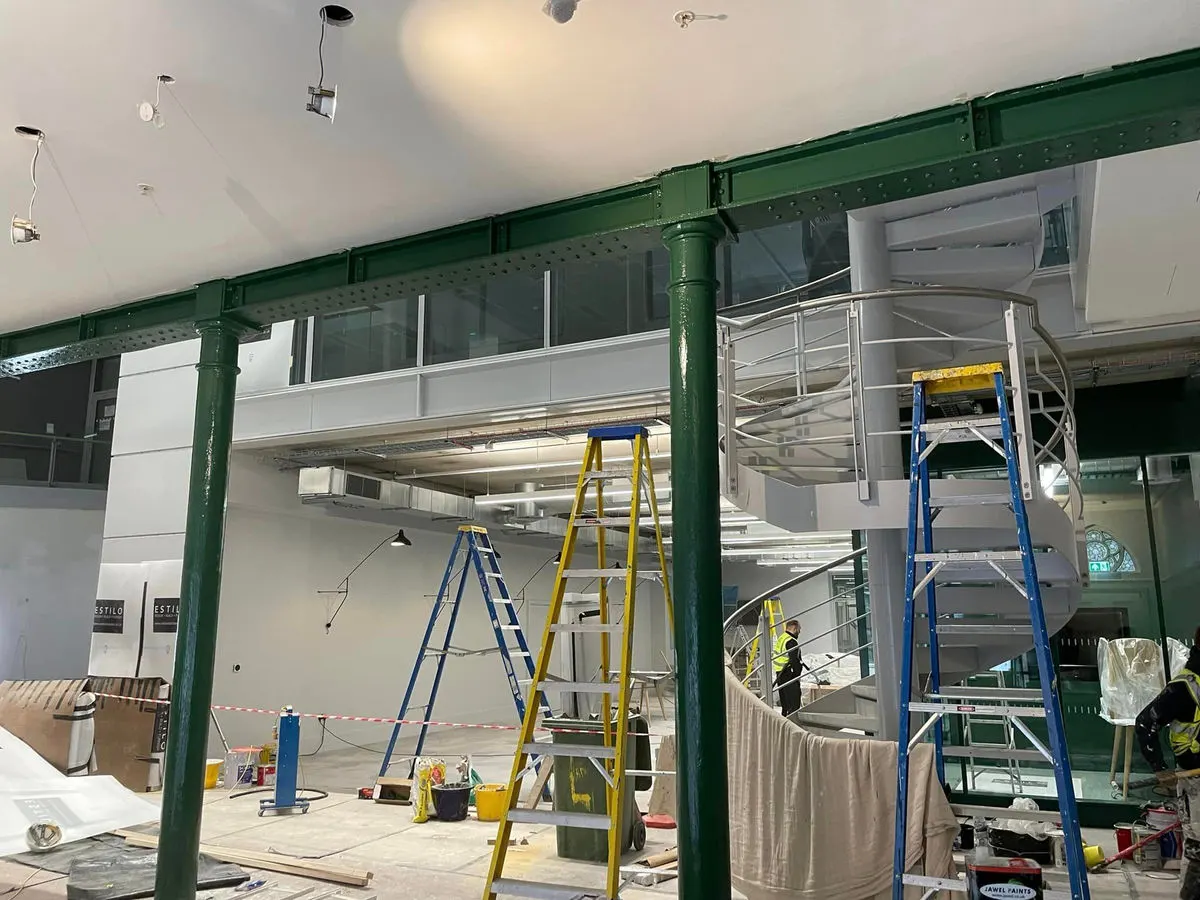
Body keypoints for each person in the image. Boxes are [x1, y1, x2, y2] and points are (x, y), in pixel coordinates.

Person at [1135, 625, 1200, 900]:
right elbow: (1145, 722)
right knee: (1199, 846)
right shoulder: (1184, 688)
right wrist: (1160, 768)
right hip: (1196, 779)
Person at [773, 619, 808, 718]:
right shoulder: (791, 641)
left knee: (785, 703)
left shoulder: (782, 638)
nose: (800, 631)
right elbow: (794, 660)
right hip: (789, 674)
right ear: (794, 628)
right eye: (799, 629)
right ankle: (793, 723)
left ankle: (785, 720)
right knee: (793, 703)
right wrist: (797, 674)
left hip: (780, 673)